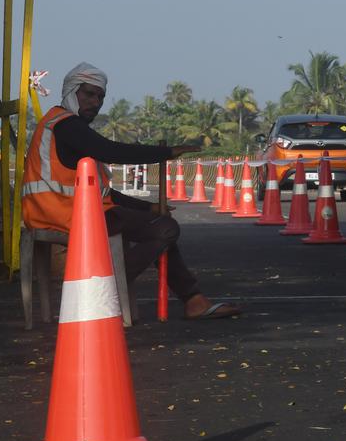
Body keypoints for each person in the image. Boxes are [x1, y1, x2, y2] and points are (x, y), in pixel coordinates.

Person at [22, 62, 240, 320]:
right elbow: (112, 151)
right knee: (166, 228)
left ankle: (193, 300)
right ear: (71, 92)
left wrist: (147, 207)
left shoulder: (65, 127)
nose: (95, 102)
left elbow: (102, 193)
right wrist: (165, 153)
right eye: (89, 94)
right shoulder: (66, 125)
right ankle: (105, 288)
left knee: (159, 224)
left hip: (63, 212)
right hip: (63, 215)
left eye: (100, 96)